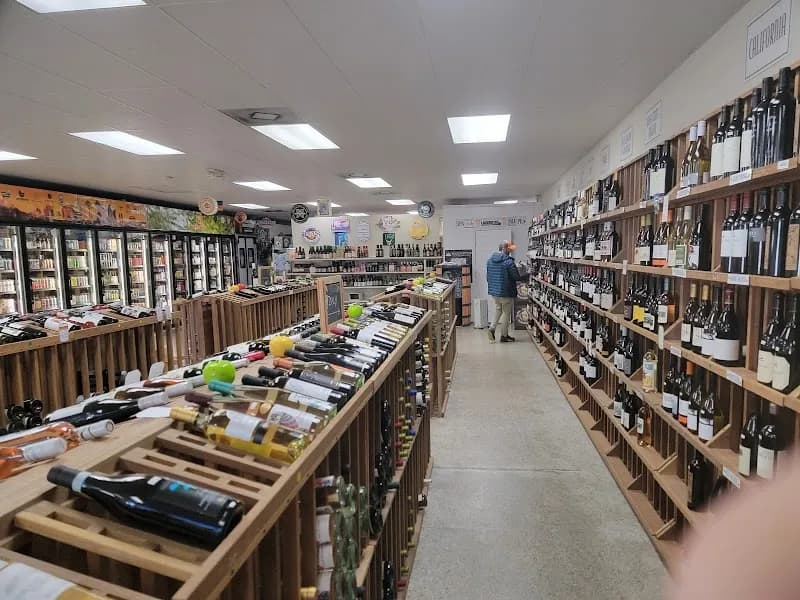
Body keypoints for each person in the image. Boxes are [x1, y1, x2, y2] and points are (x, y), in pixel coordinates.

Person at [486, 241, 522, 343]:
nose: (510, 251)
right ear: (504, 249)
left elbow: (488, 277)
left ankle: (492, 328)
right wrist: (526, 274)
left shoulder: (490, 261)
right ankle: (504, 335)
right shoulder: (508, 262)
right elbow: (516, 276)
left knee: (498, 309)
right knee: (506, 313)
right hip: (506, 292)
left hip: (495, 292)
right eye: (509, 249)